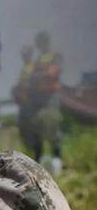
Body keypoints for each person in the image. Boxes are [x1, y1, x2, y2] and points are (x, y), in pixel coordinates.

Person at [31, 31, 63, 174]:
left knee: (53, 125)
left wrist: (39, 75)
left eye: (42, 42)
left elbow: (53, 73)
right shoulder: (38, 59)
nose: (40, 45)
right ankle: (38, 159)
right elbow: (33, 77)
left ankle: (57, 159)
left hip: (51, 96)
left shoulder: (55, 56)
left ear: (46, 42)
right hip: (39, 96)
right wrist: (38, 76)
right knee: (38, 127)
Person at [12, 45, 38, 156]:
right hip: (24, 103)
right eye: (23, 54)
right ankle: (29, 151)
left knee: (32, 129)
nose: (24, 56)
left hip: (31, 103)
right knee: (23, 129)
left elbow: (33, 84)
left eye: (26, 54)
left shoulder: (34, 67)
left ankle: (35, 152)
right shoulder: (25, 68)